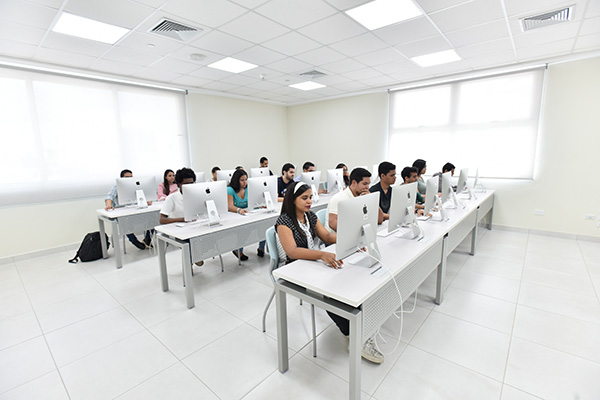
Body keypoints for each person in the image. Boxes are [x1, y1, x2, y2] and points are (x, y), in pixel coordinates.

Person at [275, 181, 383, 364]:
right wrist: (321, 254)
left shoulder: (310, 216)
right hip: (294, 268)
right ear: (292, 200)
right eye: (304, 198)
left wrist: (350, 239)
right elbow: (292, 252)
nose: (309, 201)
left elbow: (326, 236)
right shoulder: (284, 221)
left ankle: (358, 325)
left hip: (312, 262)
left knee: (346, 278)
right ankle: (353, 336)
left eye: (310, 197)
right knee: (330, 292)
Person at [159, 167, 203, 266]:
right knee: (190, 243)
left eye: (192, 183)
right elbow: (162, 220)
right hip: (180, 230)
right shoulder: (172, 198)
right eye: (186, 184)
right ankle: (193, 259)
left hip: (196, 227)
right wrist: (183, 219)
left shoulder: (198, 195)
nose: (189, 186)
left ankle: (195, 256)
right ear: (178, 184)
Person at [325, 167, 383, 233]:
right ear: (354, 183)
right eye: (365, 184)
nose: (367, 187)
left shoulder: (363, 196)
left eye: (368, 184)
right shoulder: (339, 198)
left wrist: (372, 200)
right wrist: (353, 234)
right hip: (338, 237)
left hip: (357, 234)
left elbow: (379, 220)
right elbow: (332, 223)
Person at [104, 169, 151, 250]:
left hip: (135, 212)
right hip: (123, 215)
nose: (129, 179)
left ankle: (147, 239)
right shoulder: (117, 187)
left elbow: (142, 196)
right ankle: (134, 241)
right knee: (123, 222)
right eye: (127, 177)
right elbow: (109, 197)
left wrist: (146, 201)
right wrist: (108, 205)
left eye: (131, 177)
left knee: (153, 217)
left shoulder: (135, 186)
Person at [227, 169, 266, 259]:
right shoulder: (230, 190)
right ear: (236, 180)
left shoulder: (249, 188)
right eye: (242, 180)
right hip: (235, 216)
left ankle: (261, 248)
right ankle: (238, 250)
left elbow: (253, 202)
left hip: (247, 215)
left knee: (263, 225)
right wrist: (239, 210)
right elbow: (230, 206)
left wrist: (260, 205)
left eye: (246, 179)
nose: (245, 182)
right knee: (245, 229)